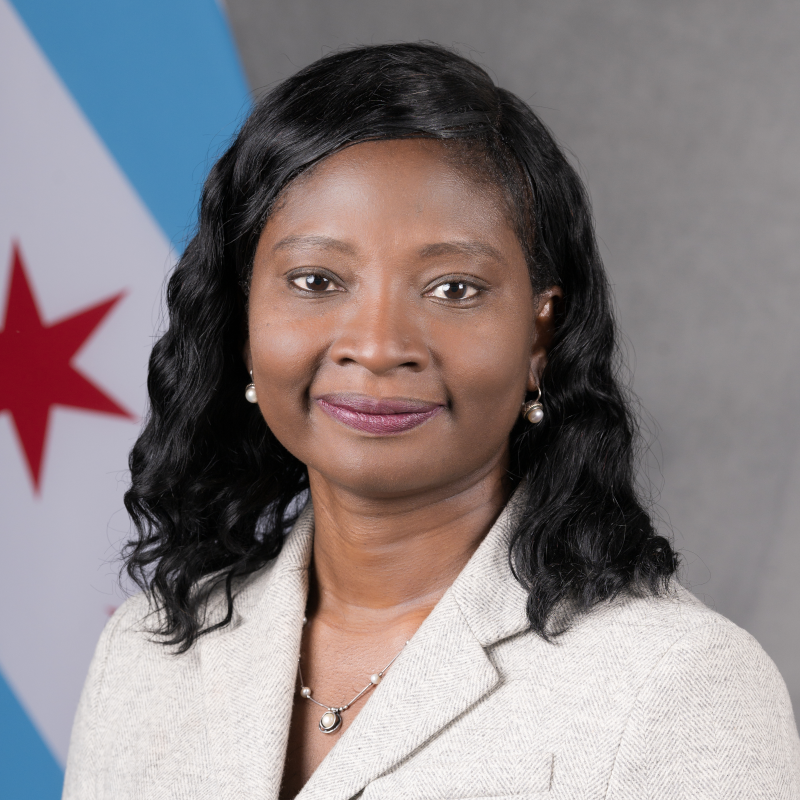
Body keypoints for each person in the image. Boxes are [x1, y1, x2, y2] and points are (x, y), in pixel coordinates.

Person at [62, 42, 800, 800]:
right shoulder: (149, 652)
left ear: (540, 336)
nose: (378, 346)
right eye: (316, 280)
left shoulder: (676, 684)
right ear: (242, 317)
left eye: (454, 288)